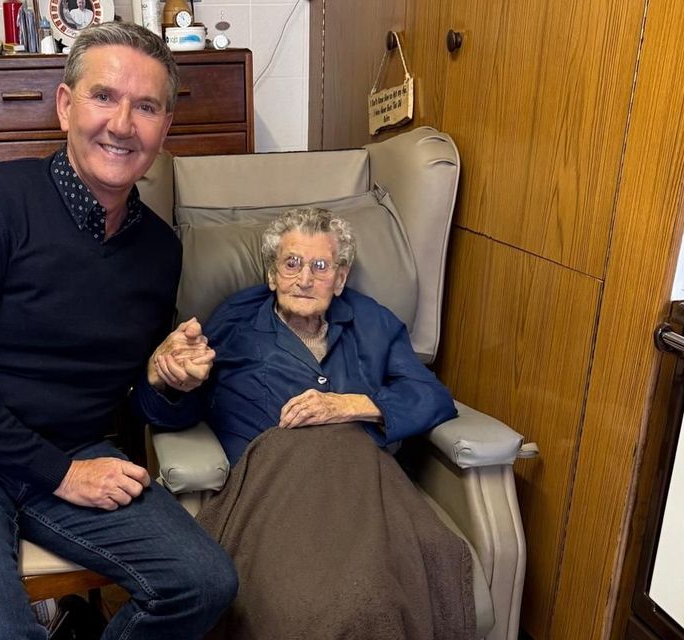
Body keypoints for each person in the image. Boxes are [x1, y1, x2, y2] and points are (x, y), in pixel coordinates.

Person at [0, 22, 236, 640]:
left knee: (204, 584)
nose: (122, 124)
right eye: (104, 96)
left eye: (146, 106)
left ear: (164, 128)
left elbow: (136, 404)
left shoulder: (157, 249)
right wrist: (61, 474)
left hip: (73, 447)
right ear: (66, 105)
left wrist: (169, 381)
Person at [139, 208, 474, 639]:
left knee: (380, 596)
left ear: (340, 277)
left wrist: (352, 404)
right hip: (273, 494)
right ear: (272, 274)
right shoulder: (235, 322)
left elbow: (431, 396)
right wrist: (171, 383)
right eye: (292, 263)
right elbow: (177, 412)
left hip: (365, 491)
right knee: (309, 607)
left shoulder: (373, 322)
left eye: (321, 266)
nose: (305, 278)